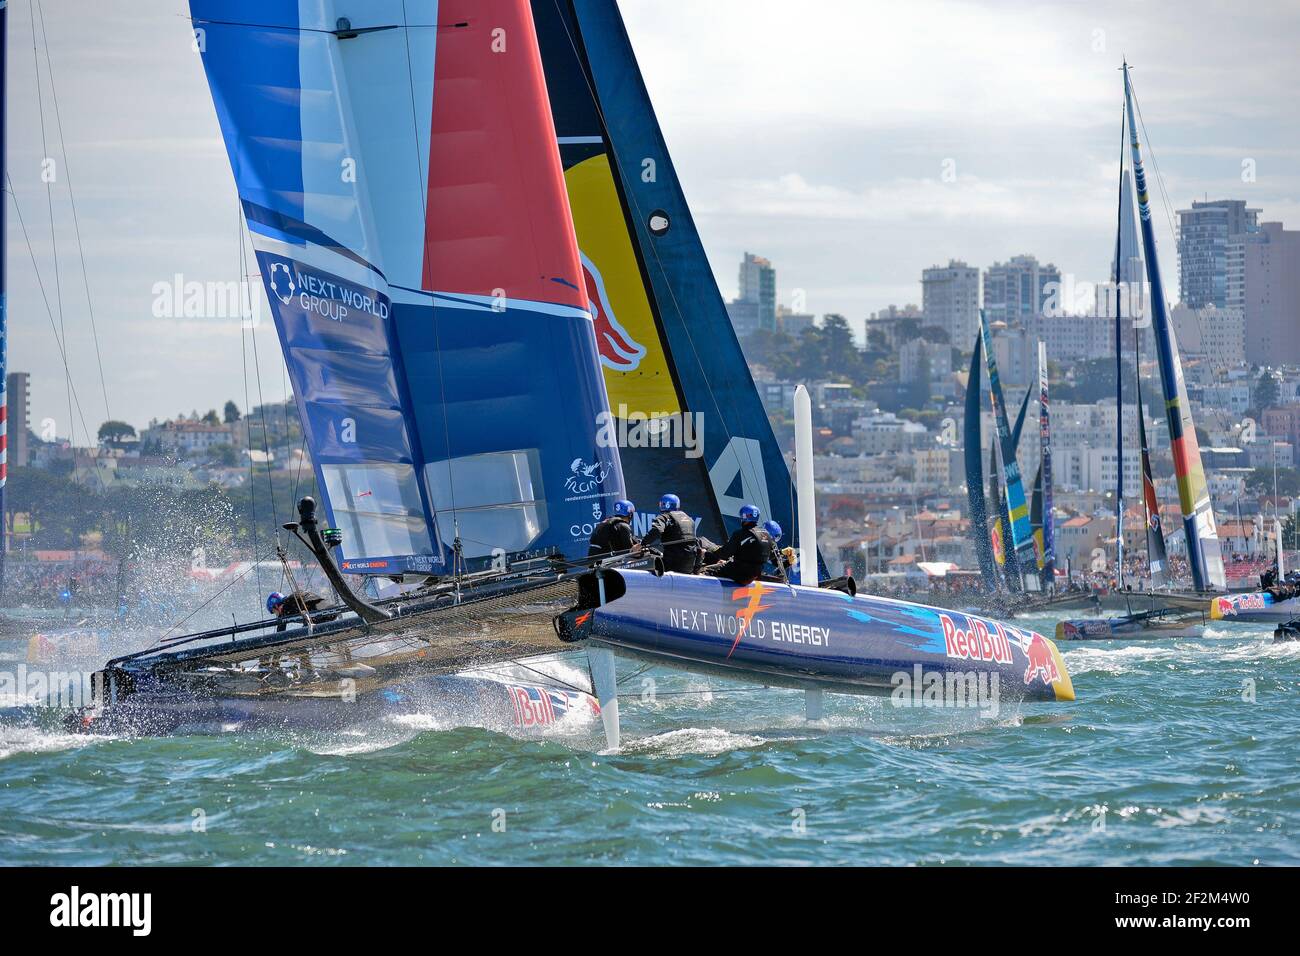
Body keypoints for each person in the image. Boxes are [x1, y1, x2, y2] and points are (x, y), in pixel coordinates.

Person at [702, 504, 775, 585]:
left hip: (740, 574)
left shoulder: (740, 534)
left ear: (744, 517)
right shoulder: (767, 534)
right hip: (755, 574)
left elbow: (724, 554)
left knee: (705, 570)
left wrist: (707, 553)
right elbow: (772, 556)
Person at [636, 493, 700, 573]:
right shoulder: (690, 519)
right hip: (688, 566)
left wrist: (642, 544)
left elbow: (657, 530)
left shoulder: (664, 517)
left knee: (644, 562)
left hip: (672, 564)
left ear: (662, 505)